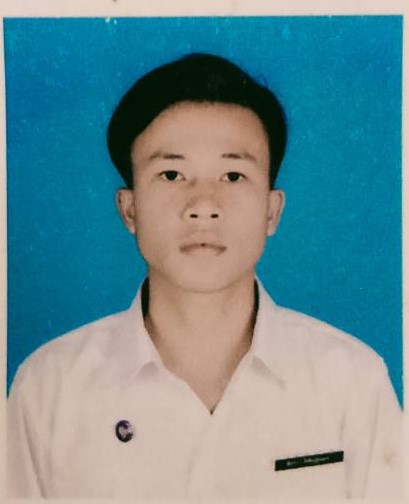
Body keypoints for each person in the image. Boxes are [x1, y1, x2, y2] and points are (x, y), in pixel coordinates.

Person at [7, 53, 402, 499]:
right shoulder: (50, 389)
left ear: (272, 211)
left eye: (233, 175)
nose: (203, 205)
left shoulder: (351, 381)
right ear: (129, 209)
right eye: (171, 174)